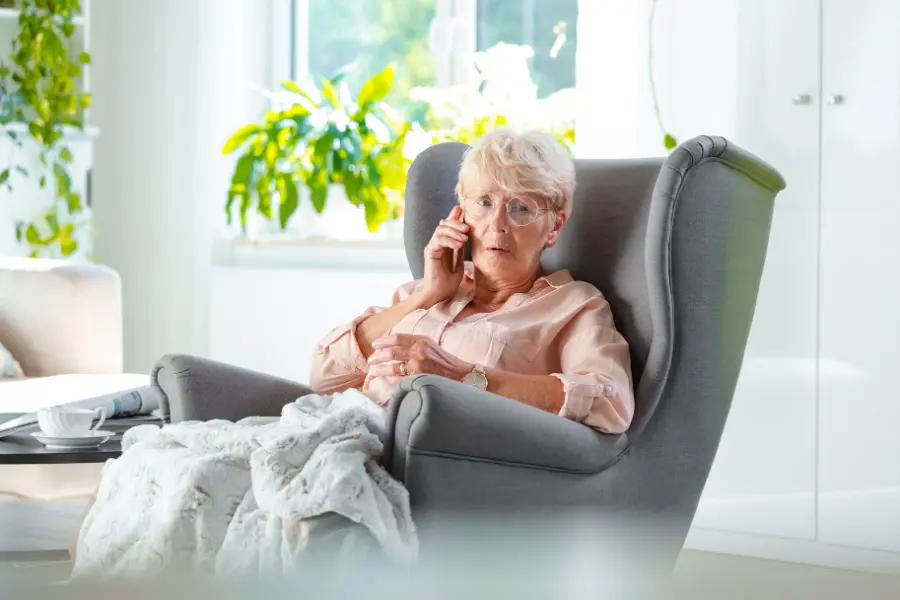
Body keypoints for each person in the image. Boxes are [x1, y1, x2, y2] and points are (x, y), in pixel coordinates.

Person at [310, 128, 634, 434]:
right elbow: (324, 378)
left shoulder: (573, 305)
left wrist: (463, 377)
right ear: (461, 212)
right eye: (484, 202)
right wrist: (424, 294)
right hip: (348, 434)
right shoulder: (420, 293)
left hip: (438, 463)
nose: (497, 224)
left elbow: (611, 402)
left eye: (521, 207)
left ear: (554, 226)